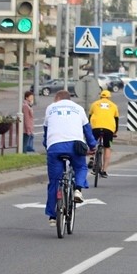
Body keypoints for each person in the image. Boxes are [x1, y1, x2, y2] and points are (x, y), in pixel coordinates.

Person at [43, 90, 97, 226]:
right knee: (80, 167)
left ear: (58, 98)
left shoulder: (50, 108)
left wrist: (47, 145)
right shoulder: (78, 109)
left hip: (54, 147)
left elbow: (46, 131)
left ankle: (52, 217)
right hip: (75, 145)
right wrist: (92, 146)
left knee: (54, 182)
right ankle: (78, 189)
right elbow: (87, 130)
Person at [88, 89, 119, 177]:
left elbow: (89, 117)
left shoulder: (94, 104)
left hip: (96, 128)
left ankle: (92, 158)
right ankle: (104, 170)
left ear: (100, 96)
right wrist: (115, 131)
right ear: (109, 97)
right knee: (107, 147)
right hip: (108, 129)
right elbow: (116, 120)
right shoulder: (114, 106)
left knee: (92, 143)